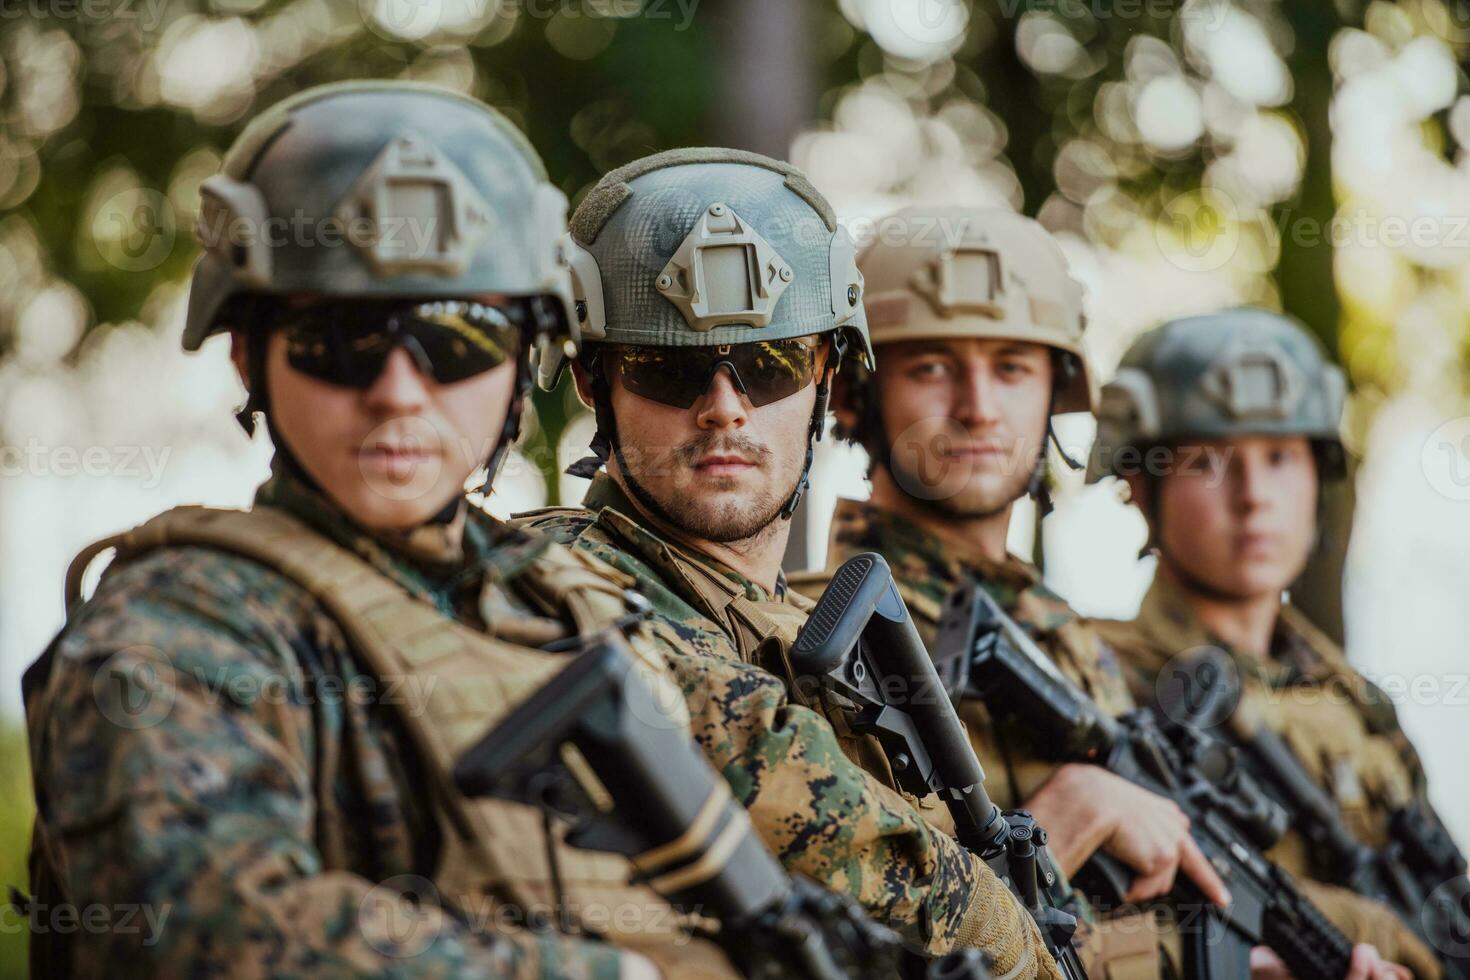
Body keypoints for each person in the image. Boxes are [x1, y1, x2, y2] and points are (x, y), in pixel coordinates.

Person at [23, 79, 720, 979]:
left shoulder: (566, 599)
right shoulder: (178, 627)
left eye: (457, 333)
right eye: (339, 336)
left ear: (524, 359)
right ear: (248, 354)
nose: (397, 388)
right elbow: (217, 927)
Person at [792, 205, 1413, 980]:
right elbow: (837, 941)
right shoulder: (815, 634)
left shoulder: (1060, 636)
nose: (979, 405)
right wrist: (1061, 820)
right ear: (851, 398)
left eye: (1013, 367)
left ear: (1058, 395)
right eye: (931, 367)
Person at [517, 150, 1060, 978]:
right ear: (594, 383)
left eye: (769, 366)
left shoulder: (810, 635)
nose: (725, 406)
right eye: (668, 369)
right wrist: (1007, 935)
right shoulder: (550, 584)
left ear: (825, 376)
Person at [1089, 308, 1449, 979]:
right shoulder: (1094, 679)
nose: (1254, 496)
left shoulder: (1354, 703)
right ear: (1139, 487)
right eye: (1210, 461)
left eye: (1281, 457)